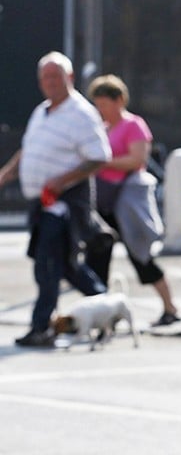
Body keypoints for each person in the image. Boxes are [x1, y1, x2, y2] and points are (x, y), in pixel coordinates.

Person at [0, 52, 111, 347]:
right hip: (41, 202)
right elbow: (30, 149)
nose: (50, 83)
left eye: (56, 77)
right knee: (66, 266)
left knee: (48, 265)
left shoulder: (81, 113)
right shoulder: (42, 111)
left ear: (70, 78)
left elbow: (100, 157)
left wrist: (62, 181)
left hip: (64, 204)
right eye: (45, 77)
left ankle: (42, 327)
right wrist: (8, 172)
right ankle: (107, 307)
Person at [85, 74, 180, 327]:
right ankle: (103, 316)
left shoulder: (133, 125)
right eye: (97, 104)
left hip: (126, 203)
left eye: (104, 104)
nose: (100, 109)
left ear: (119, 100)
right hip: (104, 202)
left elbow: (137, 160)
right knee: (97, 259)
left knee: (141, 257)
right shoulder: (101, 128)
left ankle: (170, 307)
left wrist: (103, 162)